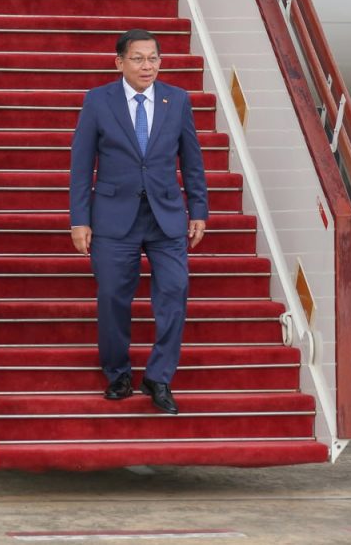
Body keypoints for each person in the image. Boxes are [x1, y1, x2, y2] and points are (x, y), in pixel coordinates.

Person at [69, 29, 208, 415]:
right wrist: (79, 219)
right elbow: (81, 164)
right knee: (113, 297)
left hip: (166, 216)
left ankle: (159, 377)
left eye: (153, 58)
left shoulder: (176, 100)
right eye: (138, 58)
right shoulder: (98, 101)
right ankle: (118, 373)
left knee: (175, 291)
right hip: (114, 217)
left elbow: (192, 160)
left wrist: (198, 210)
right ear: (120, 63)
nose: (147, 66)